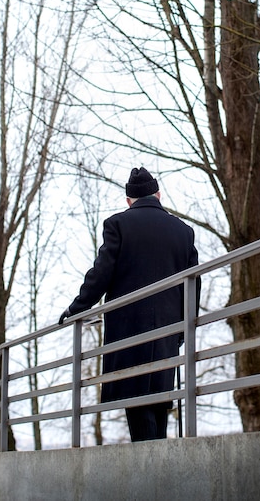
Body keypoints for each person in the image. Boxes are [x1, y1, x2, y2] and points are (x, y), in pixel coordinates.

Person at [59, 167, 200, 442]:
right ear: (158, 194)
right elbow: (193, 284)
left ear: (128, 200)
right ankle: (159, 470)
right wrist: (185, 329)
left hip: (129, 330)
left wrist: (77, 309)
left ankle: (152, 475)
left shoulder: (118, 224)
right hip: (168, 331)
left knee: (135, 401)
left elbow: (101, 273)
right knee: (161, 400)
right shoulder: (184, 231)